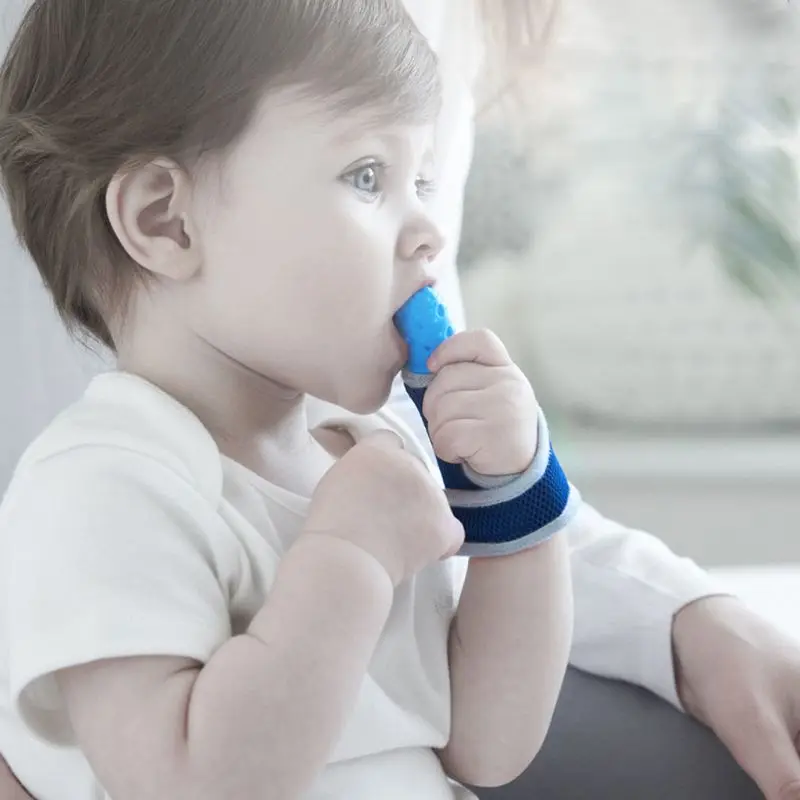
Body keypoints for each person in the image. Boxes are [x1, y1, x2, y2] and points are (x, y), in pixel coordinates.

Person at [0, 2, 799, 800]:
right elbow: (192, 786)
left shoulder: (375, 450)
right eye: (367, 176)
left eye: (421, 181)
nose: (428, 232)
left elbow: (488, 743)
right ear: (166, 221)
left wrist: (516, 503)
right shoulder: (103, 488)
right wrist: (350, 558)